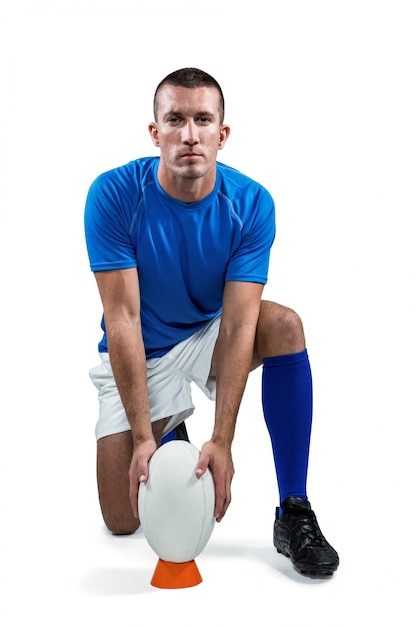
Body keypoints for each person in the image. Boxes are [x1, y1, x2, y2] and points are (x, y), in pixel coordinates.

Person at [84, 67, 339, 577]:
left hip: (209, 333)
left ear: (222, 133)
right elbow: (124, 319)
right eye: (175, 119)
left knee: (285, 325)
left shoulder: (251, 204)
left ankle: (295, 510)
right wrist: (141, 437)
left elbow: (241, 325)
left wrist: (222, 439)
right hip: (141, 350)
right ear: (155, 132)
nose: (189, 134)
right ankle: (169, 430)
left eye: (203, 119)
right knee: (120, 519)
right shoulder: (113, 195)